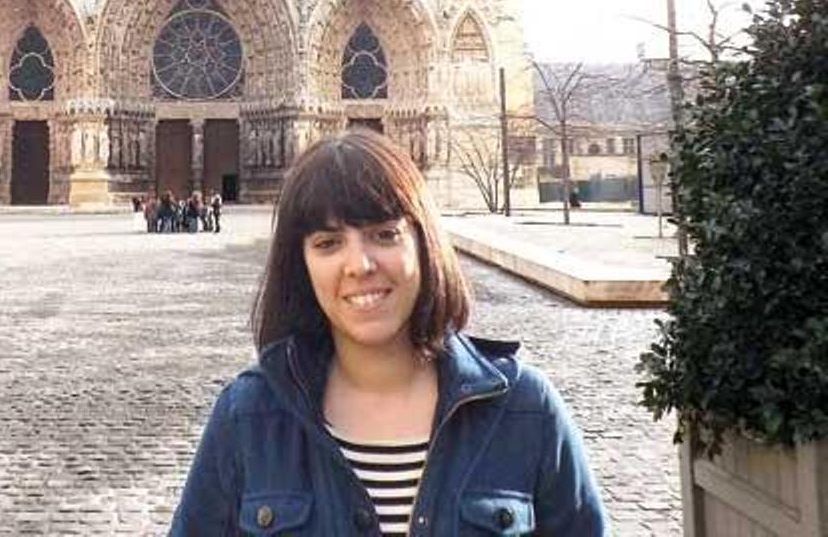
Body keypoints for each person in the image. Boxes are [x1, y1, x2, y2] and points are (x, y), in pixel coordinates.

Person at [170, 129, 606, 535]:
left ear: (424, 242)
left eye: (384, 234)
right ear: (300, 264)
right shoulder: (248, 417)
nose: (359, 265)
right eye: (328, 243)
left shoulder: (526, 410)